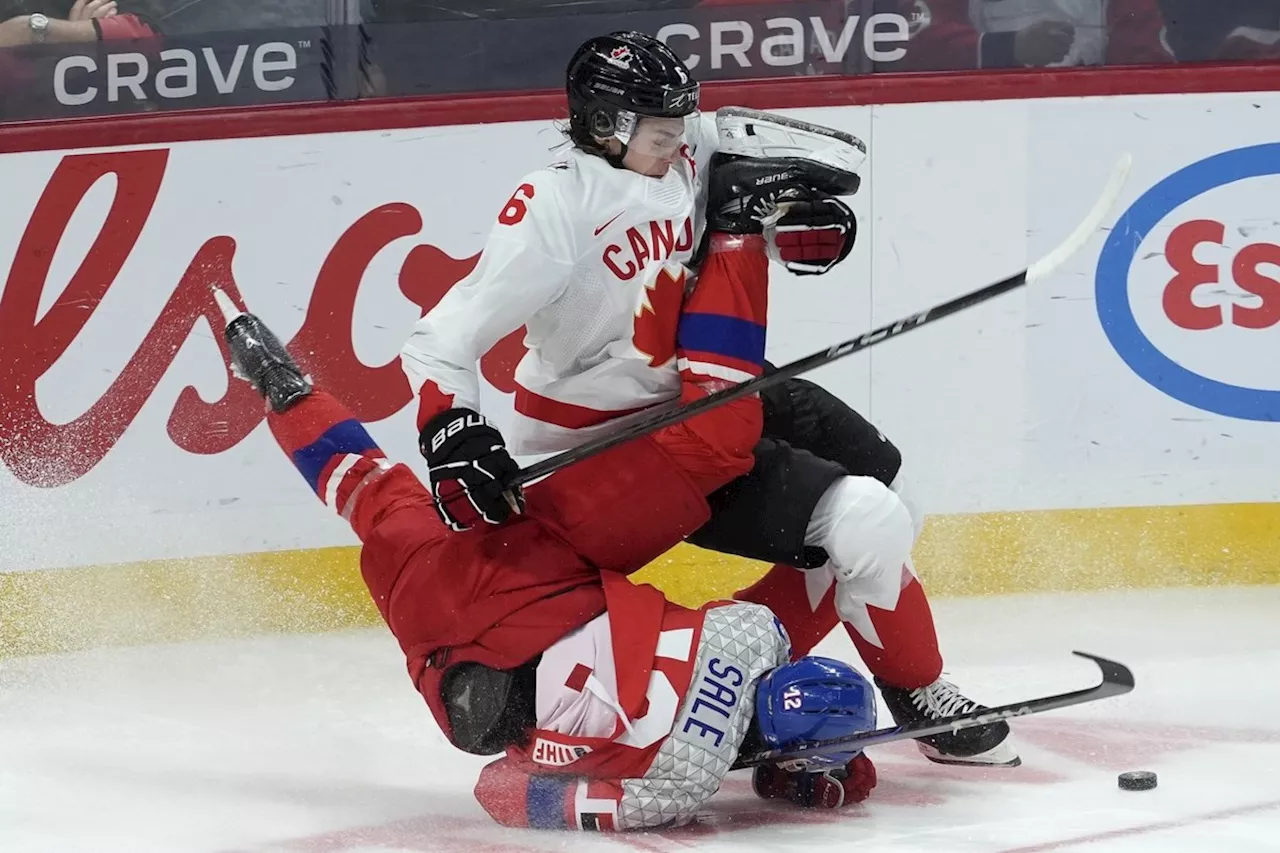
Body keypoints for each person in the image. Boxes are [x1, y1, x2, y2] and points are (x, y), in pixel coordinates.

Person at [400, 30, 1017, 767]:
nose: (678, 144)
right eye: (660, 135)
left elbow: (840, 163)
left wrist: (804, 220)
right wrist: (454, 431)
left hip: (707, 389)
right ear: (605, 127)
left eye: (679, 128)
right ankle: (884, 683)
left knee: (893, 500)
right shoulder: (553, 206)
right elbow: (440, 339)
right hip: (601, 446)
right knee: (869, 523)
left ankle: (785, 666)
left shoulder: (694, 140)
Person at [213, 213, 878, 831]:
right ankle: (287, 393)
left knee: (374, 488)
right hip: (457, 656)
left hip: (520, 579)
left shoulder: (754, 635)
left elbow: (760, 664)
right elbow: (502, 791)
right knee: (375, 495)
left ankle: (284, 388)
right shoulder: (674, 791)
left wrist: (813, 754)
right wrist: (801, 772)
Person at [888, 0, 1171, 69]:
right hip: (983, 117)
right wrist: (1010, 48)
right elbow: (917, 43)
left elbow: (1145, 52)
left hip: (1092, 117)